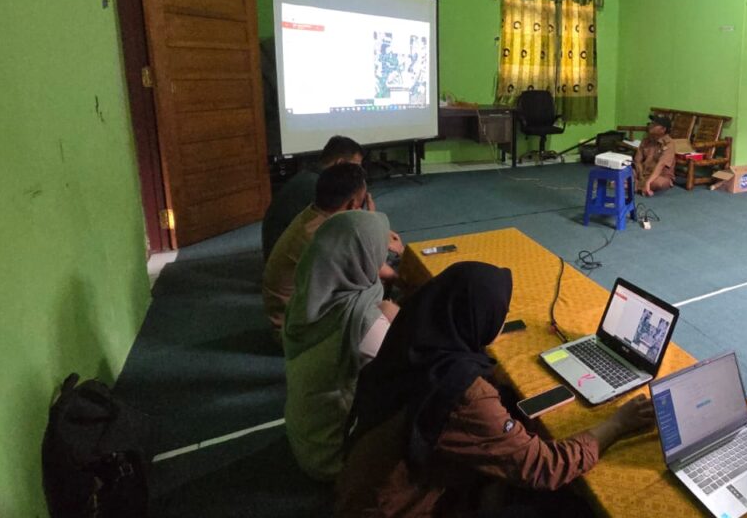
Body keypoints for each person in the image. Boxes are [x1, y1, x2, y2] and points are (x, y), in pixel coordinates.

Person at [337, 262, 655, 517]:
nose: (501, 321)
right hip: (398, 507)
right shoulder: (462, 390)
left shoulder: (412, 342)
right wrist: (618, 423)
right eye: (498, 313)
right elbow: (546, 467)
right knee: (566, 505)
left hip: (367, 491)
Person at [284, 210, 400, 481]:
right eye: (379, 248)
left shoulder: (310, 295)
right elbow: (409, 367)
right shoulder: (362, 322)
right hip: (335, 457)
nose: (383, 254)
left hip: (307, 438)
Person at [263, 163, 402, 340]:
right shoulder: (325, 236)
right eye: (362, 204)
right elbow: (372, 271)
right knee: (389, 311)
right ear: (353, 204)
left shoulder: (314, 215)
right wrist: (408, 280)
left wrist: (366, 222)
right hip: (294, 330)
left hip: (298, 311)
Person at [262, 135, 369, 260]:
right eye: (355, 167)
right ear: (340, 163)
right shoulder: (317, 186)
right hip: (288, 260)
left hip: (283, 252)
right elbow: (341, 229)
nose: (358, 172)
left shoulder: (310, 177)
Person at [633, 115, 675, 196]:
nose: (651, 125)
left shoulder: (669, 144)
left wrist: (648, 182)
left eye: (655, 124)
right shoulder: (646, 140)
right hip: (643, 173)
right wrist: (641, 175)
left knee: (659, 183)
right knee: (624, 172)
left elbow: (661, 165)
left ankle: (634, 186)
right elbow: (637, 160)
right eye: (651, 123)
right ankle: (639, 187)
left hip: (660, 176)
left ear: (663, 129)